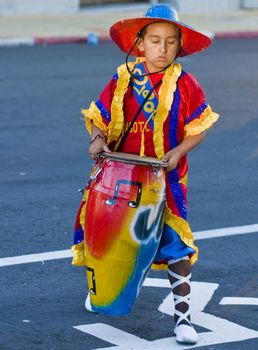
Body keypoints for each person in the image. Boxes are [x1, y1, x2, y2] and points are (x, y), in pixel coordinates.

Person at [72, 4, 219, 345]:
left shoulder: (185, 84)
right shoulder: (123, 79)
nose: (162, 49)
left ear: (179, 46)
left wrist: (177, 153)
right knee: (104, 238)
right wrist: (97, 139)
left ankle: (183, 319)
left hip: (162, 182)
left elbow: (199, 127)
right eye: (155, 40)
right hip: (118, 178)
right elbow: (98, 116)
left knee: (177, 248)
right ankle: (103, 290)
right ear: (140, 44)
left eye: (170, 41)